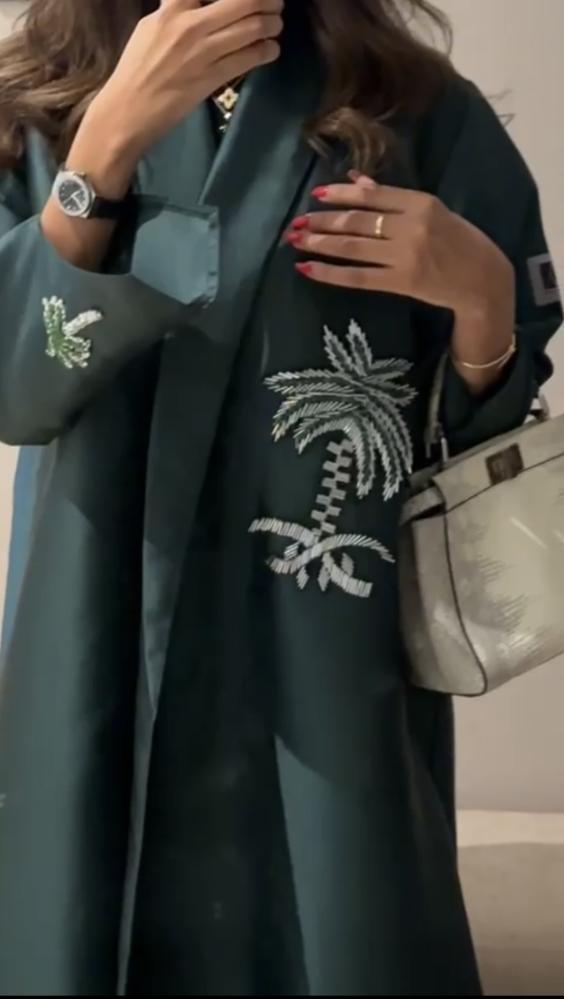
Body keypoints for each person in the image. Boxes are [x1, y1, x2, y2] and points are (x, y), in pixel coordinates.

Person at [0, 0, 560, 995]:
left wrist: (484, 305)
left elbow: (482, 443)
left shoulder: (420, 112)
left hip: (329, 652)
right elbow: (14, 390)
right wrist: (105, 147)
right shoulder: (34, 103)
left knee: (337, 915)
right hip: (93, 619)